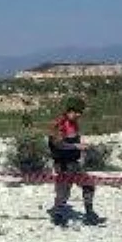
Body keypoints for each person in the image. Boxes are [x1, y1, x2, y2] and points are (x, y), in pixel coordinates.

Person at [47, 97, 104, 226]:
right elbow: (58, 145)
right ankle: (58, 215)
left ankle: (90, 213)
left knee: (88, 184)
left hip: (74, 162)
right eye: (78, 112)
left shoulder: (74, 123)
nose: (79, 115)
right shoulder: (58, 124)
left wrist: (82, 147)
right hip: (62, 164)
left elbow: (73, 140)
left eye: (81, 112)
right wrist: (76, 146)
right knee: (63, 191)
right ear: (70, 110)